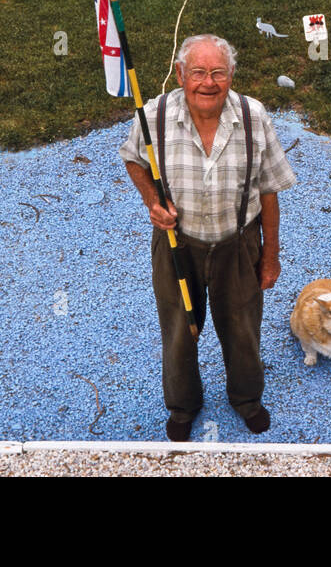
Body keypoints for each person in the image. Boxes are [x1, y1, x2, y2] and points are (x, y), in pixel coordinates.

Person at [119, 34, 296, 442]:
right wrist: (152, 200)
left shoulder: (254, 116)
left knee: (243, 328)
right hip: (176, 245)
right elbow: (132, 159)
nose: (208, 82)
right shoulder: (154, 116)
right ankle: (183, 406)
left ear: (231, 76)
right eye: (198, 72)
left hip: (239, 244)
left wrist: (270, 257)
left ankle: (247, 399)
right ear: (181, 75)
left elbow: (269, 190)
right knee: (179, 330)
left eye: (218, 72)